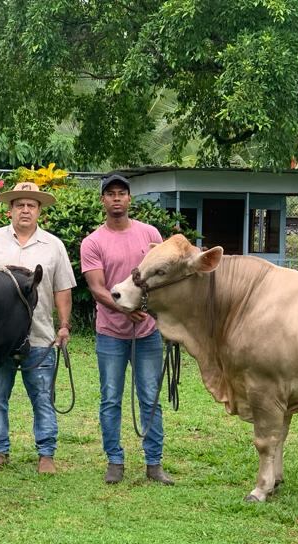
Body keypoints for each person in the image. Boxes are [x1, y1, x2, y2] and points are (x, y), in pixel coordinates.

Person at [0, 181, 76, 474]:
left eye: (31, 205)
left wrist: (64, 326)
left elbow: (62, 289)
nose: (26, 210)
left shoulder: (54, 245)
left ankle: (46, 454)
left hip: (40, 335)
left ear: (40, 210)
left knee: (42, 397)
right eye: (20, 205)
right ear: (10, 210)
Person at [80, 174, 173, 485]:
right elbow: (96, 287)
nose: (116, 199)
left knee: (150, 396)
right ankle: (115, 461)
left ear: (130, 199)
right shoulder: (93, 242)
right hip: (110, 333)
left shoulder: (150, 235)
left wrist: (152, 313)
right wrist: (122, 308)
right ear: (103, 200)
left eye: (122, 193)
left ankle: (154, 463)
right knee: (110, 397)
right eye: (110, 194)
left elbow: (163, 276)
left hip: (147, 332)